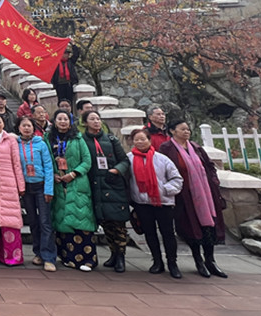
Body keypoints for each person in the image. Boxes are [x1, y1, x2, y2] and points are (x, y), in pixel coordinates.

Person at [160, 119, 229, 279]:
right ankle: (198, 261)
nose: (187, 132)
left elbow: (209, 166)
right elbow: (163, 170)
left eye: (188, 129)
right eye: (182, 129)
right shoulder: (167, 148)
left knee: (209, 227)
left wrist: (213, 181)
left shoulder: (196, 147)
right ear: (172, 131)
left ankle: (210, 261)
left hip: (205, 194)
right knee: (191, 227)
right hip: (184, 195)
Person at [128, 128, 184, 278]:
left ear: (149, 140)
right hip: (141, 203)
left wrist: (164, 190)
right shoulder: (129, 159)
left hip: (163, 203)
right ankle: (157, 261)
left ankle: (172, 263)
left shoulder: (162, 159)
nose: (140, 142)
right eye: (136, 140)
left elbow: (177, 179)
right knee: (149, 233)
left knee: (168, 233)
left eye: (143, 139)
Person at [47, 109, 96, 271]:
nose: (63, 122)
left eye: (66, 119)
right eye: (59, 119)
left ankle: (88, 259)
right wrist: (53, 174)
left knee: (81, 219)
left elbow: (87, 161)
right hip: (58, 183)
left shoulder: (78, 138)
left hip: (77, 182)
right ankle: (68, 258)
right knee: (62, 221)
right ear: (54, 122)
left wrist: (74, 173)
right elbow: (46, 160)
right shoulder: (48, 139)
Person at [82, 110, 130, 273]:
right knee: (106, 222)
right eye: (92, 119)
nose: (96, 121)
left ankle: (121, 255)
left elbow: (124, 160)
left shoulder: (111, 139)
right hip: (95, 185)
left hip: (113, 184)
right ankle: (113, 253)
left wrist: (116, 170)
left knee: (118, 222)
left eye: (98, 118)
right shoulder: (82, 140)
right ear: (85, 122)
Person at [0, 114, 25, 266]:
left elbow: (16, 163)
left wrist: (21, 186)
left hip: (8, 184)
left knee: (10, 221)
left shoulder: (10, 140)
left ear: (3, 123)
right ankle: (1, 255)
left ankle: (14, 257)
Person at [16, 116, 56, 272]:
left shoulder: (41, 143)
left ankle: (49, 257)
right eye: (24, 126)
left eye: (29, 126)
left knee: (45, 222)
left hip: (41, 186)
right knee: (33, 221)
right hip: (26, 188)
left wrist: (48, 189)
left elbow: (49, 166)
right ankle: (38, 252)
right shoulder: (16, 144)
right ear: (19, 128)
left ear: (34, 128)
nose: (27, 128)